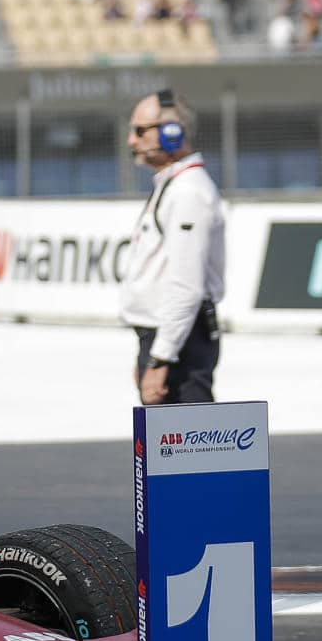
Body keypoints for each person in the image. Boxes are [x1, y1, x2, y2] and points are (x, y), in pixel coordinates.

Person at [119, 89, 227, 405]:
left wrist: (160, 360)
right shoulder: (175, 185)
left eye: (140, 131)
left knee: (194, 450)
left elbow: (186, 286)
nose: (131, 141)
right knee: (174, 450)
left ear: (171, 134)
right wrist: (152, 355)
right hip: (170, 338)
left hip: (180, 342)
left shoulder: (188, 192)